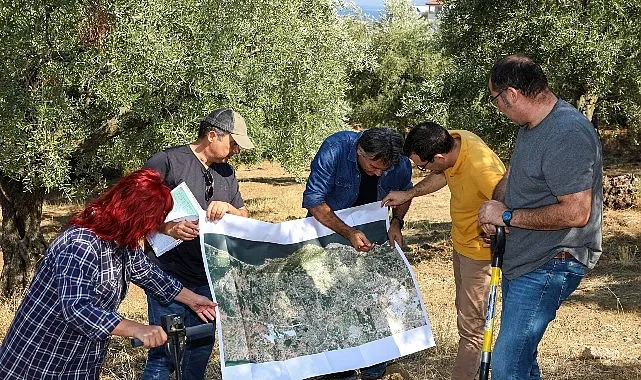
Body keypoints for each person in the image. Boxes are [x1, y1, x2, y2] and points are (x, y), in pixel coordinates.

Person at [0, 169, 217, 380]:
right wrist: (138, 329)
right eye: (154, 221)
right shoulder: (80, 244)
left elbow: (152, 276)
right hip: (40, 358)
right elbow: (77, 309)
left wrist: (195, 301)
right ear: (136, 216)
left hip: (81, 360)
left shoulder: (123, 243)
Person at [478, 54, 602, 379]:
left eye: (496, 100)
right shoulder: (533, 126)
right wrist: (496, 211)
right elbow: (513, 176)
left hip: (550, 262)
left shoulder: (567, 133)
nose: (497, 108)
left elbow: (577, 211)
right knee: (521, 362)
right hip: (525, 258)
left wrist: (505, 216)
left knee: (507, 368)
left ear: (512, 94)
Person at [382, 121, 506, 380]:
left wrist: (501, 228)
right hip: (461, 244)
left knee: (472, 330)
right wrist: (408, 194)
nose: (421, 170)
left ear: (439, 156)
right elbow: (441, 175)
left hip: (479, 255)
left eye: (422, 166)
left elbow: (510, 199)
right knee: (464, 313)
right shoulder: (458, 140)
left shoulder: (482, 170)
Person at [141, 108, 254, 380]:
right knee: (164, 354)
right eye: (234, 143)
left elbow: (244, 215)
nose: (237, 151)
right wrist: (167, 227)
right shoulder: (167, 162)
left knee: (199, 353)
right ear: (213, 135)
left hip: (209, 277)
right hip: (167, 276)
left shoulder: (226, 172)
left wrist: (229, 209)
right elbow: (134, 210)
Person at [302, 127, 413, 380]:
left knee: (372, 297)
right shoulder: (336, 148)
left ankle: (375, 368)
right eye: (374, 167)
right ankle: (338, 370)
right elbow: (315, 202)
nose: (379, 173)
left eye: (384, 170)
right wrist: (349, 233)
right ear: (359, 151)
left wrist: (397, 222)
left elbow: (405, 193)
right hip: (327, 230)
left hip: (371, 233)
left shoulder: (399, 161)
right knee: (328, 297)